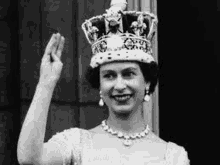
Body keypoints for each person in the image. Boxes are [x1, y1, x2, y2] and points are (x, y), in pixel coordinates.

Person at [17, 0, 190, 164]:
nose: (120, 85)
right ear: (99, 85)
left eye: (129, 74)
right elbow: (30, 158)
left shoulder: (173, 157)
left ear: (147, 81)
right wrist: (46, 83)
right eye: (109, 76)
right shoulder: (77, 143)